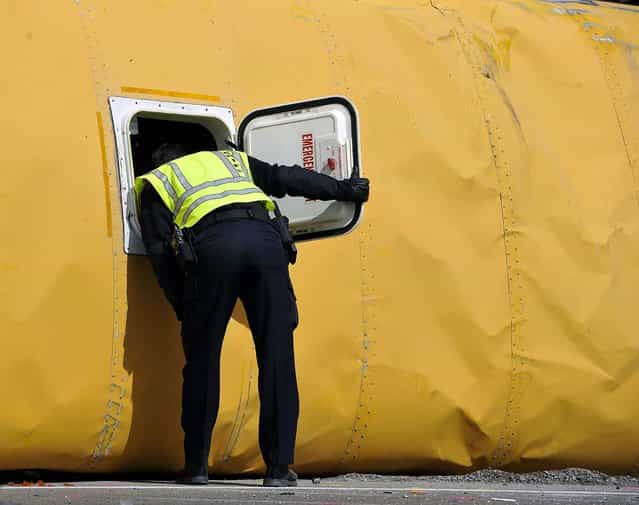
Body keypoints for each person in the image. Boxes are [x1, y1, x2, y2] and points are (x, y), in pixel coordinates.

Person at [135, 141, 370, 487]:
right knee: (277, 357)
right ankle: (278, 469)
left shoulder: (159, 180)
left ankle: (197, 467)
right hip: (265, 243)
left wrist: (185, 306)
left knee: (203, 360)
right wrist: (344, 190)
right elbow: (286, 178)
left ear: (161, 162)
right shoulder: (232, 161)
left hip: (213, 250)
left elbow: (158, 250)